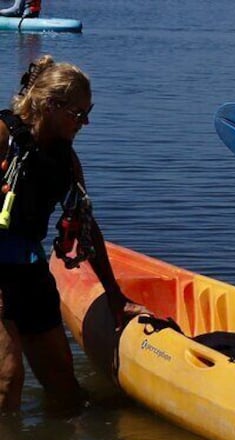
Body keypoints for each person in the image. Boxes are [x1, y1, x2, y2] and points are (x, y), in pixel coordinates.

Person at [0, 55, 143, 414]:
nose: (86, 122)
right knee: (8, 378)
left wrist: (114, 294)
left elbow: (85, 225)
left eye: (88, 112)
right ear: (50, 105)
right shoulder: (3, 136)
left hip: (29, 273)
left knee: (67, 393)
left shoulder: (65, 160)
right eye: (78, 114)